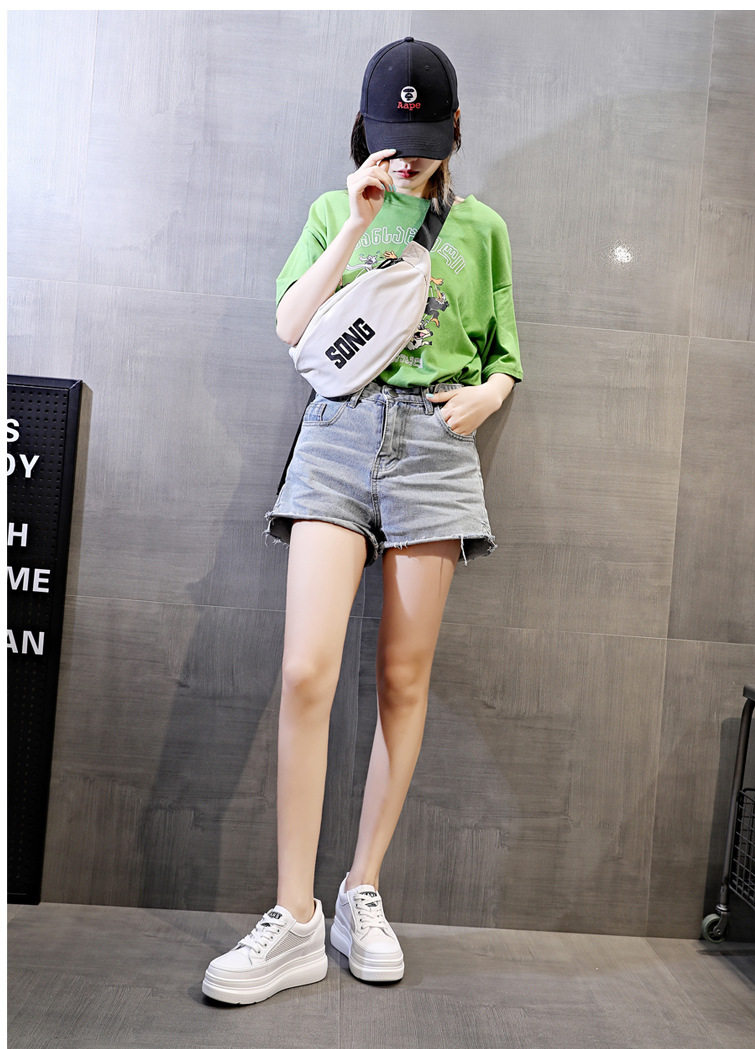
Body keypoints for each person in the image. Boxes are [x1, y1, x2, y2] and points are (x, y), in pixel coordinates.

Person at [202, 36, 522, 1006]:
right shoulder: (329, 211)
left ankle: (359, 889)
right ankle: (294, 917)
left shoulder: (484, 229)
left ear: (453, 129)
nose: (408, 158)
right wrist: (354, 224)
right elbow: (290, 324)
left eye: (423, 142)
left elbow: (506, 349)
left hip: (435, 446)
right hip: (338, 436)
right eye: (392, 139)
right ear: (366, 130)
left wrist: (490, 394)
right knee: (306, 668)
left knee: (401, 678)